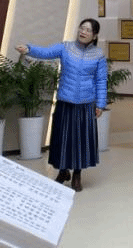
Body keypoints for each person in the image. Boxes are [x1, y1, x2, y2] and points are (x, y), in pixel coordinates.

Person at [16, 18, 107, 192]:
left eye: (88, 30)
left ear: (95, 35)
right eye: (82, 28)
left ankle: (77, 174)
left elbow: (101, 80)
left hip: (86, 104)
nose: (83, 32)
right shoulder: (66, 48)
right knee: (63, 139)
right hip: (65, 101)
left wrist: (100, 104)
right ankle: (63, 171)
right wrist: (29, 49)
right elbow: (46, 52)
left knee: (80, 140)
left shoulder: (98, 55)